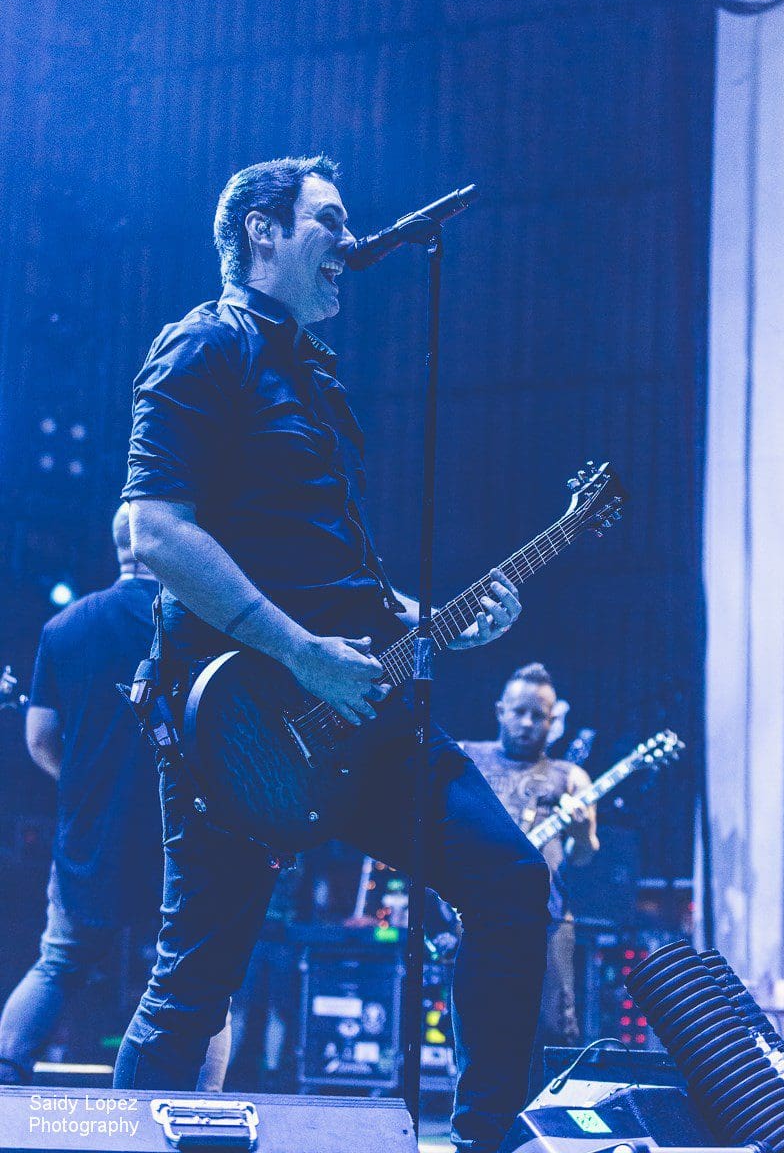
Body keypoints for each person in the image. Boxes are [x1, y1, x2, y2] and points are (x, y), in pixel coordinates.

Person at [114, 155, 551, 1153]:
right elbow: (156, 531)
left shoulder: (312, 373)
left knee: (508, 881)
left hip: (363, 709)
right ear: (262, 232)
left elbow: (329, 567)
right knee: (194, 988)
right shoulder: (204, 345)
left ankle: (486, 1137)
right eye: (330, 221)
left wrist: (430, 617)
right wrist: (298, 651)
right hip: (241, 723)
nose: (351, 244)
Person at [0, 506, 229, 1089]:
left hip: (92, 833)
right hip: (187, 832)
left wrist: (88, 787)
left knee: (60, 960)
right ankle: (206, 1105)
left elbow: (39, 738)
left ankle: (4, 1076)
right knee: (200, 977)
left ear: (117, 546)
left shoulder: (64, 627)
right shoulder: (204, 620)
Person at [461, 663, 599, 1063]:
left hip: (547, 920)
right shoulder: (465, 759)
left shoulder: (571, 777)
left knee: (554, 1028)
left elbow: (585, 856)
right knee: (474, 1026)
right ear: (500, 710)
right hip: (474, 915)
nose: (526, 723)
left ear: (552, 721)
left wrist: (580, 831)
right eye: (519, 711)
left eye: (538, 715)